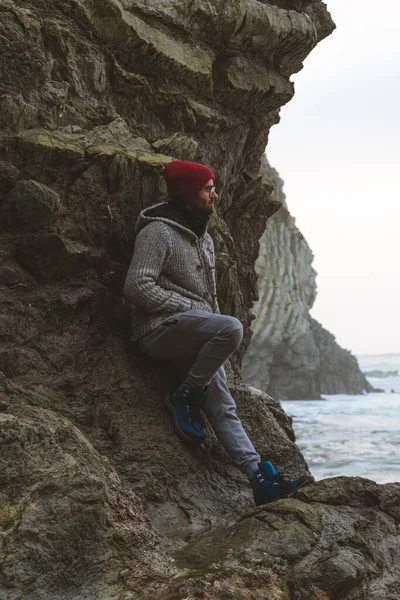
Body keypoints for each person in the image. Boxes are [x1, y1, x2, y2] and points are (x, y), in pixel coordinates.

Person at [123, 159, 312, 505]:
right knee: (231, 327)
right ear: (187, 191)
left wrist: (201, 318)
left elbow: (207, 301)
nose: (216, 195)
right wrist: (189, 309)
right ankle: (185, 395)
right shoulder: (157, 231)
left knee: (223, 405)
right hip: (157, 331)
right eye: (208, 188)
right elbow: (136, 285)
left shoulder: (204, 236)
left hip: (194, 334)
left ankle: (258, 480)